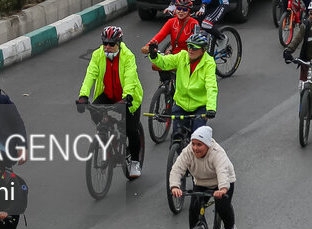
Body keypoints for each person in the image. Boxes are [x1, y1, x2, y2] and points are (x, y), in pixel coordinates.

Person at [76, 25, 144, 178]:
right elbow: (90, 76)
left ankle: (134, 162)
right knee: (94, 110)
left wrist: (126, 97)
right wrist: (83, 96)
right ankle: (108, 126)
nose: (107, 47)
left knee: (131, 130)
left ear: (118, 43)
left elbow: (130, 79)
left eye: (111, 44)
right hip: (108, 94)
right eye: (104, 43)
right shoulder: (97, 55)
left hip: (129, 97)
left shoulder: (128, 56)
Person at [169, 125, 238, 229]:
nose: (195, 148)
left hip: (222, 182)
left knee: (222, 206)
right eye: (193, 144)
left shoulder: (217, 153)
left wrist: (222, 189)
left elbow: (222, 172)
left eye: (199, 145)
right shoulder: (188, 152)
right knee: (194, 210)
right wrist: (175, 187)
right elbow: (176, 169)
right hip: (201, 182)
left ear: (207, 145)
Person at [147, 30, 218, 129]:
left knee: (196, 137)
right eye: (189, 46)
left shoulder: (209, 63)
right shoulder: (182, 56)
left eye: (194, 47)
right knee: (176, 138)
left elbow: (211, 86)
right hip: (181, 105)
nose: (190, 50)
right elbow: (164, 62)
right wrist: (154, 56)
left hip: (199, 107)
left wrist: (211, 108)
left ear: (203, 50)